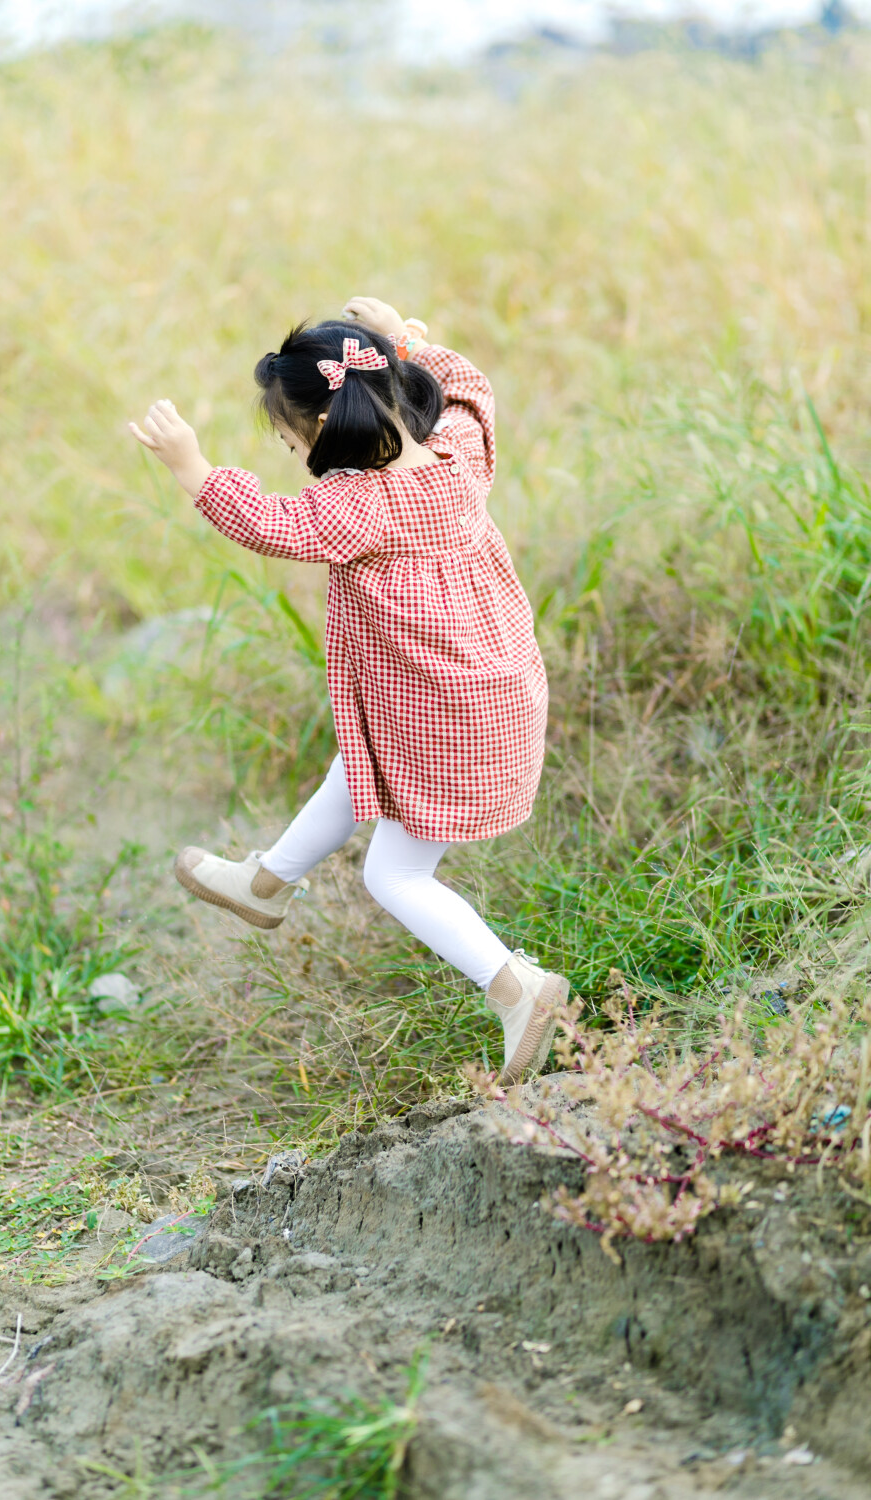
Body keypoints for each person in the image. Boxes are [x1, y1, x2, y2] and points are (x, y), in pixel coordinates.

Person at [129, 295, 568, 1084]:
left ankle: (517, 989)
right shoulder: (461, 452)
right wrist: (406, 340)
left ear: (325, 432)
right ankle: (265, 884)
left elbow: (271, 524)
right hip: (489, 692)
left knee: (393, 876)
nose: (300, 460)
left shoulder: (356, 505)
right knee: (359, 764)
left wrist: (189, 465)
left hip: (448, 715)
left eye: (298, 441)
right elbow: (470, 389)